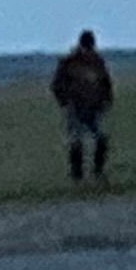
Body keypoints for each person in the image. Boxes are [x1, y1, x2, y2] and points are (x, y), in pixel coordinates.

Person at [48, 32, 116, 184]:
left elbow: (106, 83)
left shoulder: (97, 61)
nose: (89, 49)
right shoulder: (69, 62)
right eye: (87, 47)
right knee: (76, 141)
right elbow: (56, 85)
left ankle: (98, 171)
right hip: (75, 108)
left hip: (94, 108)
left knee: (101, 139)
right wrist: (65, 102)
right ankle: (77, 175)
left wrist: (107, 100)